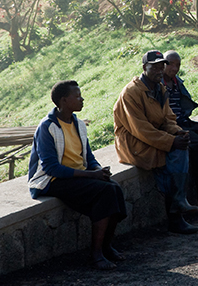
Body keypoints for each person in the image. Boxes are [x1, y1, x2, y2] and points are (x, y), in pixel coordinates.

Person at [28, 80, 127, 270]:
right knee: (104, 193)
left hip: (78, 176)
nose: (82, 99)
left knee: (114, 188)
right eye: (78, 96)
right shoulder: (47, 127)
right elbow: (51, 168)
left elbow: (88, 156)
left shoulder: (78, 124)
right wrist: (91, 176)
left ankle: (106, 247)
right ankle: (96, 254)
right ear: (64, 101)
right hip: (53, 181)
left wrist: (99, 170)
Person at [112, 50, 198, 234]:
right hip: (134, 143)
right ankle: (177, 211)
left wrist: (178, 132)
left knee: (182, 147)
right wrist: (171, 141)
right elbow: (141, 129)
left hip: (153, 137)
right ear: (144, 68)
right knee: (171, 157)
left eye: (162, 66)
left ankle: (178, 207)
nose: (160, 70)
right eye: (155, 67)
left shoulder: (159, 88)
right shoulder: (131, 92)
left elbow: (168, 119)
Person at [160, 50, 198, 216]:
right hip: (173, 126)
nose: (174, 68)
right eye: (170, 64)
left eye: (178, 65)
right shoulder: (158, 85)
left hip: (185, 121)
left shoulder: (177, 82)